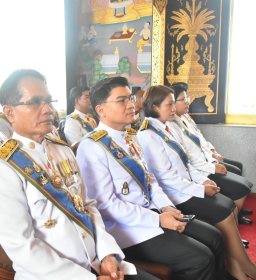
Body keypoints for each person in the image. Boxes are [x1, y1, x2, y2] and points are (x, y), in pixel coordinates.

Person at [0, 69, 157, 280]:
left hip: (94, 262)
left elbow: (87, 205)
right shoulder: (2, 168)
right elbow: (22, 247)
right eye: (36, 102)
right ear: (10, 113)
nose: (48, 109)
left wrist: (107, 254)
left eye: (48, 101)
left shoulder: (61, 150)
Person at [77, 77, 226, 280]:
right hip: (128, 228)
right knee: (200, 258)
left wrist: (167, 208)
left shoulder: (130, 136)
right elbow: (106, 206)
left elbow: (150, 180)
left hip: (155, 212)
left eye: (130, 98)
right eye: (121, 100)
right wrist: (157, 219)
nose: (131, 105)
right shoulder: (92, 147)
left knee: (215, 237)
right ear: (101, 109)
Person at [138, 85, 256, 279]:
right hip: (175, 194)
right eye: (169, 104)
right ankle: (247, 267)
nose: (174, 108)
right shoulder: (148, 134)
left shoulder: (168, 127)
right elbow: (165, 177)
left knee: (226, 204)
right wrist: (199, 190)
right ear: (155, 107)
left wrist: (204, 182)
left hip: (188, 187)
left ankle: (237, 268)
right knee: (223, 209)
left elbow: (186, 162)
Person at [169, 83, 253, 226]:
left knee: (237, 169)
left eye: (187, 98)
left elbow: (200, 139)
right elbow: (187, 156)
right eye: (183, 99)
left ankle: (234, 214)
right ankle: (233, 219)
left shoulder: (184, 118)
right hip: (199, 170)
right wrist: (211, 166)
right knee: (241, 186)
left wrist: (213, 152)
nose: (187, 102)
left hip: (204, 161)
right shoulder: (169, 126)